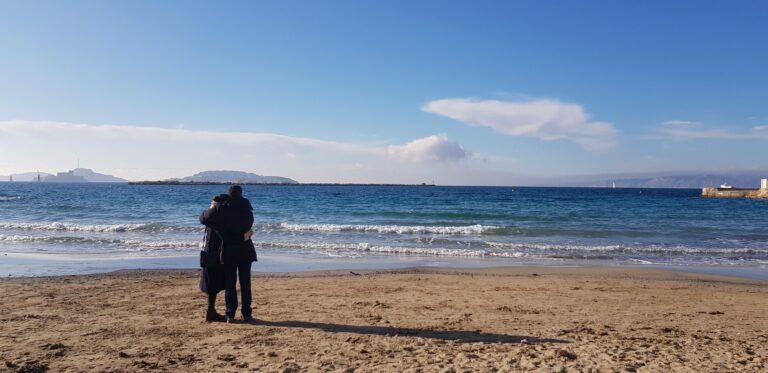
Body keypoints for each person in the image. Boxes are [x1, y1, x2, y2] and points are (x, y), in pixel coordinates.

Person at [220, 185, 256, 323]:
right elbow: (248, 228)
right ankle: (247, 313)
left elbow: (207, 219)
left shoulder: (223, 209)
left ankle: (230, 314)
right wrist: (242, 237)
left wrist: (215, 204)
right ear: (241, 194)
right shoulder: (247, 208)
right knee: (245, 282)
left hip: (229, 249)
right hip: (245, 249)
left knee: (230, 284)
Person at [198, 194, 230, 322]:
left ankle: (211, 310)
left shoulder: (208, 217)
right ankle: (211, 311)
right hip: (215, 253)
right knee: (214, 284)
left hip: (208, 251)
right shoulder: (217, 219)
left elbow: (203, 216)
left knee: (211, 284)